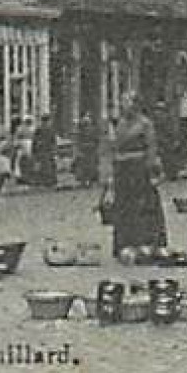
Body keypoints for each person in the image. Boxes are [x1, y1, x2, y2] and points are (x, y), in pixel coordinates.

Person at [101, 93, 168, 254]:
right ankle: (125, 242)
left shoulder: (145, 124)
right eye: (122, 102)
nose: (124, 105)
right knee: (124, 207)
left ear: (135, 105)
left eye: (127, 102)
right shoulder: (120, 124)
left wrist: (152, 170)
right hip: (122, 170)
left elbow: (151, 147)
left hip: (139, 169)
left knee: (144, 206)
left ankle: (147, 241)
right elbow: (112, 148)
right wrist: (109, 173)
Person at [30, 114, 59, 188]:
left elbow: (53, 141)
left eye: (46, 121)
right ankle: (45, 182)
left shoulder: (49, 130)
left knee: (48, 166)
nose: (46, 123)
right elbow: (35, 141)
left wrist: (54, 150)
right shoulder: (40, 130)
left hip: (46, 151)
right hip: (42, 151)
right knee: (44, 167)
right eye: (45, 121)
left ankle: (48, 182)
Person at [73, 113, 99, 187]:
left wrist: (94, 147)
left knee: (91, 167)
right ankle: (83, 182)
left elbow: (97, 141)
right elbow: (77, 141)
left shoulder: (93, 131)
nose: (86, 126)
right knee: (82, 167)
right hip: (83, 151)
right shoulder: (80, 132)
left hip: (91, 151)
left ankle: (90, 182)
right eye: (85, 124)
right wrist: (78, 150)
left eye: (87, 123)